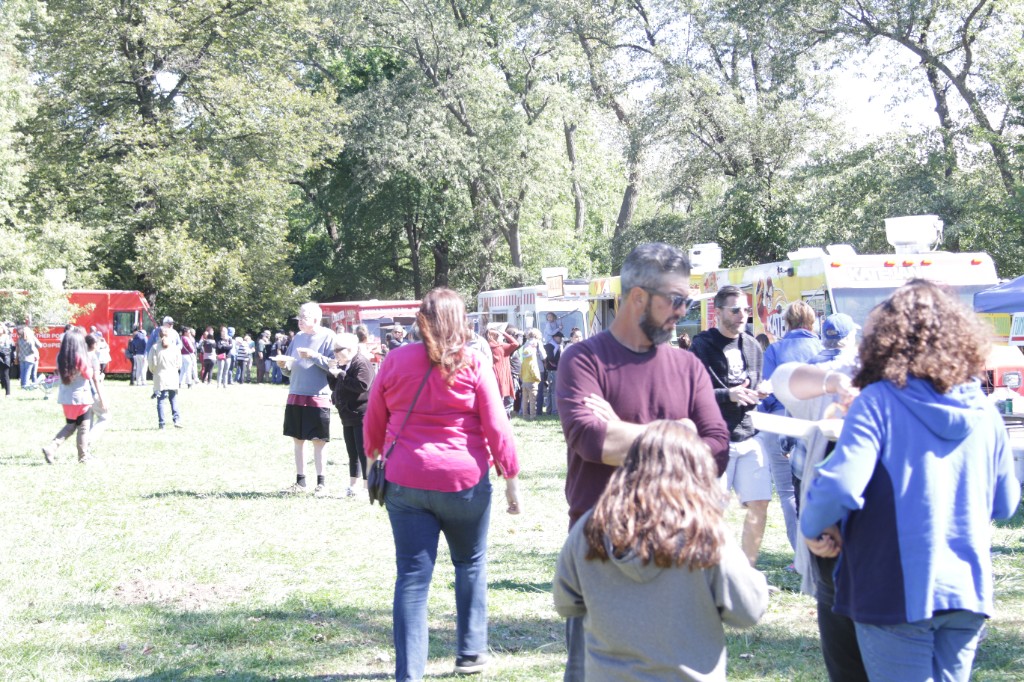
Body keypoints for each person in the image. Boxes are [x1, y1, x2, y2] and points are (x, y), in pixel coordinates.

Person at [800, 280, 1021, 682]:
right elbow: (1006, 503)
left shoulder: (878, 401)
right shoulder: (985, 410)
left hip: (894, 589)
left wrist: (812, 527)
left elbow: (841, 484)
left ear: (884, 340)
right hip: (966, 592)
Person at [556, 242, 730, 682]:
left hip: (681, 546)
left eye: (686, 300)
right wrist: (680, 435)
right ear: (637, 297)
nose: (683, 311)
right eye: (676, 299)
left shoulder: (688, 366)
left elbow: (719, 448)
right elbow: (593, 441)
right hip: (601, 548)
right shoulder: (584, 360)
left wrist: (629, 433)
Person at [363, 288, 522, 681]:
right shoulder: (474, 362)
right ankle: (470, 652)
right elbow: (497, 427)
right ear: (461, 320)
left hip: (405, 480)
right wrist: (511, 481)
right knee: (470, 564)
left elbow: (373, 417)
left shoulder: (396, 359)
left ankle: (409, 673)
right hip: (463, 481)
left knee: (413, 578)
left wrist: (372, 461)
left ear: (421, 319)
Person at [553, 421, 768, 681]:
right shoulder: (706, 534)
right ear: (696, 470)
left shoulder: (591, 527)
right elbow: (747, 610)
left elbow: (566, 603)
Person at [765, 358, 866, 682]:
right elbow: (781, 378)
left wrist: (811, 527)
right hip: (834, 562)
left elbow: (839, 483)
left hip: (877, 561)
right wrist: (833, 381)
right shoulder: (845, 386)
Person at [690, 285, 770, 567]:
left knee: (759, 504)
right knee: (713, 510)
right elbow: (693, 394)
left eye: (746, 310)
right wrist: (730, 395)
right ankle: (712, 571)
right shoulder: (702, 345)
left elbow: (754, 384)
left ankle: (746, 572)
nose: (742, 316)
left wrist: (760, 392)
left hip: (750, 435)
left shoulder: (752, 345)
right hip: (715, 439)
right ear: (718, 312)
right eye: (735, 310)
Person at [757, 300, 822, 552]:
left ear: (786, 323)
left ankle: (799, 555)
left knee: (787, 491)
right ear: (812, 322)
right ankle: (820, 549)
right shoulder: (820, 347)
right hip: (817, 423)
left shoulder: (774, 350)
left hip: (779, 422)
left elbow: (767, 391)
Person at [276, 302, 335, 495]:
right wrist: (283, 366)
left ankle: (322, 483)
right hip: (295, 393)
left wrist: (314, 355)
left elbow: (334, 366)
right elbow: (290, 369)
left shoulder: (328, 337)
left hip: (318, 396)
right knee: (297, 438)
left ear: (316, 320)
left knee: (318, 440)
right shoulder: (298, 337)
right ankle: (300, 482)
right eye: (299, 317)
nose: (299, 321)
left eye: (304, 318)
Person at [42, 327, 106, 464]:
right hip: (81, 397)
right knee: (83, 427)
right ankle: (83, 456)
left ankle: (51, 448)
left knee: (70, 425)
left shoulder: (60, 356)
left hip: (65, 397)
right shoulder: (79, 357)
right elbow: (88, 375)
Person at [327, 332, 374, 497]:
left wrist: (341, 374)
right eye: (334, 350)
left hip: (363, 414)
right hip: (347, 414)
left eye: (339, 349)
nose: (336, 353)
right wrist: (332, 373)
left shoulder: (362, 363)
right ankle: (353, 485)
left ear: (351, 348)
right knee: (352, 452)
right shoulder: (344, 364)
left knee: (363, 451)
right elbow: (335, 386)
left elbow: (362, 385)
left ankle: (368, 487)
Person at [148, 326, 183, 429]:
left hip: (160, 377)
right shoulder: (175, 347)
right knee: (173, 399)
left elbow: (151, 364)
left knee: (161, 401)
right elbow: (179, 364)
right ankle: (176, 420)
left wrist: (154, 372)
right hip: (172, 376)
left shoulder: (154, 347)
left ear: (159, 335)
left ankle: (162, 424)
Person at [486, 326, 520, 415]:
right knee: (505, 404)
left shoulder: (486, 346)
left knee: (494, 401)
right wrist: (504, 333)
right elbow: (515, 343)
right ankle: (503, 422)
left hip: (490, 375)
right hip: (502, 376)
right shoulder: (501, 347)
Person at [519, 328, 544, 419]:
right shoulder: (537, 343)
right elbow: (543, 355)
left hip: (525, 380)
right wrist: (538, 379)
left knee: (525, 398)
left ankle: (524, 414)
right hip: (535, 375)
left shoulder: (526, 344)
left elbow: (520, 371)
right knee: (534, 398)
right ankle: (535, 414)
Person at [544, 331, 564, 417]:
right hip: (552, 370)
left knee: (551, 391)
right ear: (555, 337)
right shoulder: (550, 346)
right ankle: (554, 410)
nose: (560, 339)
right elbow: (551, 358)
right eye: (559, 338)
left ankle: (549, 410)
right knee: (553, 391)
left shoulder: (554, 346)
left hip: (552, 370)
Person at [17, 323, 41, 389]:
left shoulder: (19, 340)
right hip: (30, 358)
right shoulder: (30, 340)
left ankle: (22, 385)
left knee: (22, 373)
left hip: (22, 358)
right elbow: (34, 348)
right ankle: (26, 385)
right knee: (28, 373)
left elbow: (18, 349)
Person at [0, 325, 13, 396]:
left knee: (5, 375)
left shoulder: (6, 337)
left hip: (4, 359)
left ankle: (8, 393)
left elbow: (8, 349)